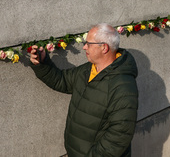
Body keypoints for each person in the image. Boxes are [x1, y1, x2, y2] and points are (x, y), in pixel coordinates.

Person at [30, 24, 138, 157]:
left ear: (104, 47)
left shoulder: (123, 86)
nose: (84, 47)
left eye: (88, 43)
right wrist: (42, 63)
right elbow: (62, 80)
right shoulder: (87, 70)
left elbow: (119, 135)